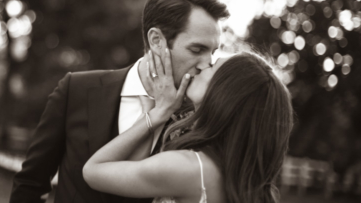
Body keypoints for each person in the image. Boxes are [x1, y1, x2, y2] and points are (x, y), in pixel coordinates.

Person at [9, 0, 230, 203]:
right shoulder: (76, 90)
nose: (206, 64)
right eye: (197, 49)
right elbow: (30, 184)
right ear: (156, 41)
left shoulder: (203, 120)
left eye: (212, 52)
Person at [83, 49, 294, 203]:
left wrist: (157, 113)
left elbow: (93, 171)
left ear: (225, 93)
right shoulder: (240, 177)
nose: (202, 65)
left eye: (212, 66)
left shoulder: (185, 167)